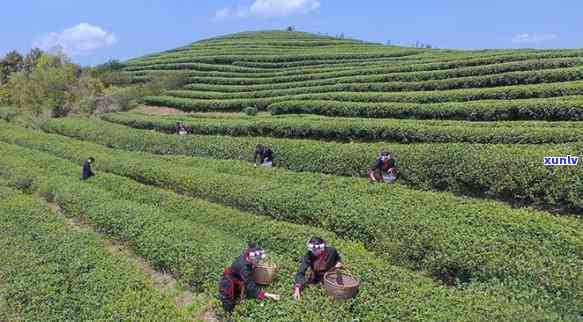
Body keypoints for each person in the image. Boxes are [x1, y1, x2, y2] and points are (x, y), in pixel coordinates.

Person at [219, 243, 280, 314]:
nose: (258, 262)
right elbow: (251, 286)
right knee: (228, 301)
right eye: (257, 260)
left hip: (238, 278)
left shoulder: (246, 257)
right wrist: (269, 295)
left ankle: (235, 306)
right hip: (228, 283)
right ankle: (227, 314)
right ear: (251, 258)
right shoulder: (243, 268)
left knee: (239, 295)